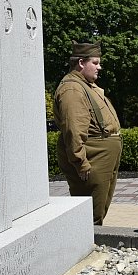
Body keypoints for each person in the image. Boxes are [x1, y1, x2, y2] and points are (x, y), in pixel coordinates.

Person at [53, 40, 122, 225]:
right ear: (81, 63)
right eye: (95, 63)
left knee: (98, 209)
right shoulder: (72, 88)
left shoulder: (84, 85)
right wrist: (81, 162)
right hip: (93, 157)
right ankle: (85, 247)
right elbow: (73, 130)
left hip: (100, 155)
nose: (100, 67)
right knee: (92, 213)